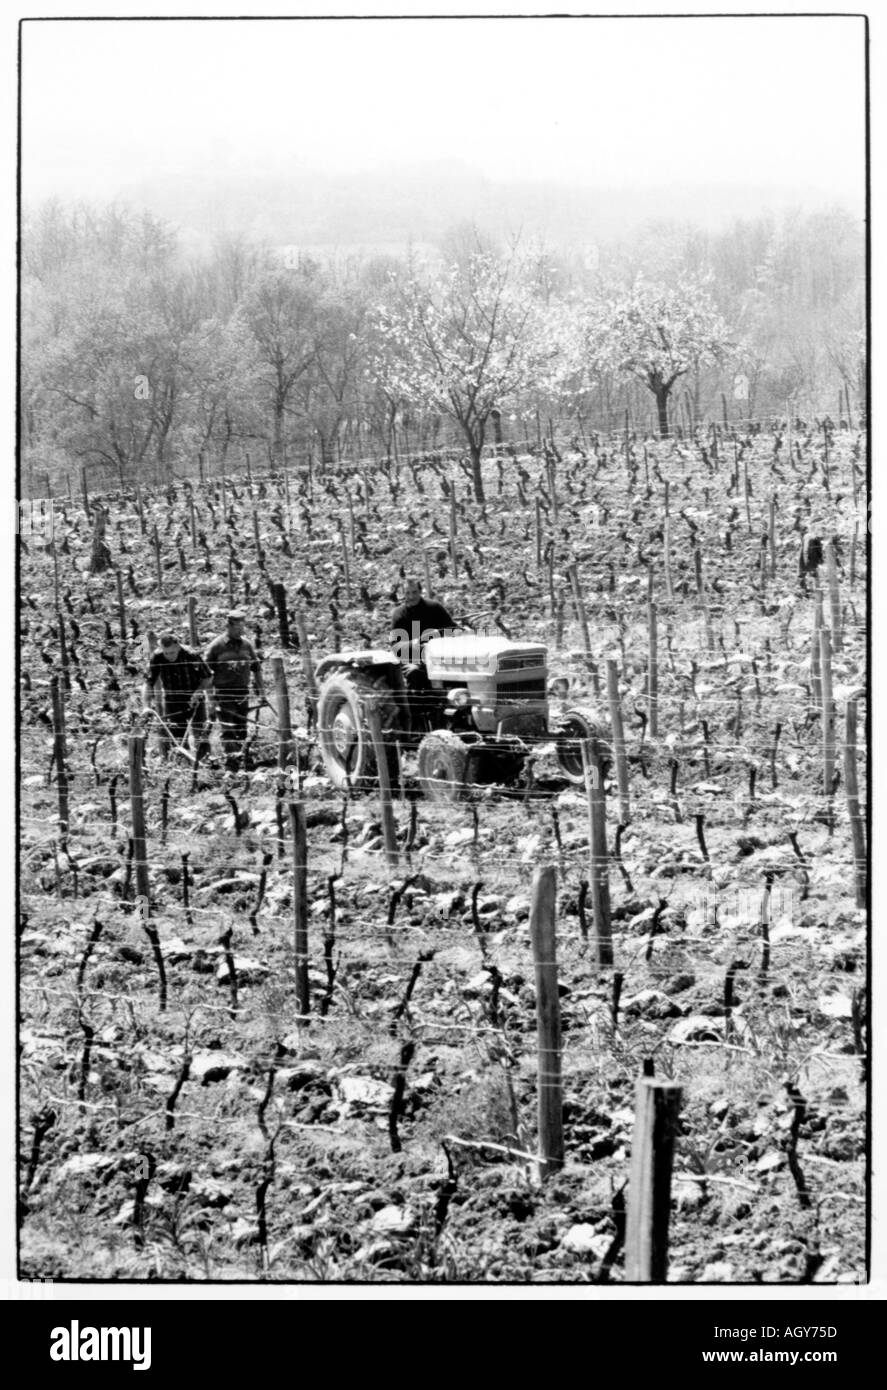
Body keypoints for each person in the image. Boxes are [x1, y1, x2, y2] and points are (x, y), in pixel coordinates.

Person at [389, 578, 460, 734]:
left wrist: (438, 634)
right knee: (415, 673)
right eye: (407, 593)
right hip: (413, 659)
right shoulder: (399, 615)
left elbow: (454, 630)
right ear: (403, 594)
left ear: (420, 591)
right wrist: (415, 644)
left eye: (414, 592)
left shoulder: (434, 608)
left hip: (438, 659)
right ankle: (416, 726)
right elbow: (396, 647)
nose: (411, 596)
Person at [203, 611, 265, 765]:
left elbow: (256, 668)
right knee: (228, 729)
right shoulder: (216, 646)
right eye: (237, 627)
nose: (241, 631)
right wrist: (210, 698)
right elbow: (206, 674)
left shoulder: (247, 645)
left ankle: (242, 757)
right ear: (228, 626)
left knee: (241, 728)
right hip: (223, 693)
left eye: (242, 627)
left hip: (242, 692)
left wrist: (261, 693)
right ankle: (231, 764)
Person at [142, 633, 213, 755]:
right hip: (172, 700)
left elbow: (207, 677)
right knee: (177, 737)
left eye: (172, 653)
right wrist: (146, 705)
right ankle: (182, 762)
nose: (169, 656)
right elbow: (148, 682)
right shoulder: (157, 657)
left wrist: (198, 692)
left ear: (178, 647)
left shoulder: (191, 655)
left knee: (200, 734)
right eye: (166, 653)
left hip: (194, 700)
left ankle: (205, 761)